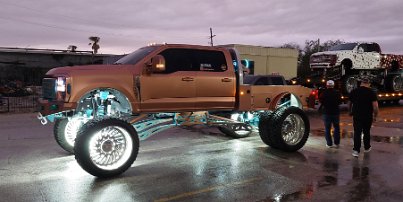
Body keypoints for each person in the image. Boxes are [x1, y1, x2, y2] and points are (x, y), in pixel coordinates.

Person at [349, 78, 379, 157]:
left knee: (357, 133)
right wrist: (375, 116)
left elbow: (349, 103)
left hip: (357, 115)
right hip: (367, 116)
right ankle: (366, 147)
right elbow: (375, 107)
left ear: (361, 83)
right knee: (366, 132)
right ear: (368, 84)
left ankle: (356, 150)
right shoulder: (371, 92)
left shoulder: (354, 91)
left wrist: (350, 111)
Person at [319, 80, 342, 148]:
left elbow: (321, 101)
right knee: (336, 128)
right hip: (335, 112)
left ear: (327, 85)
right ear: (333, 85)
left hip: (327, 113)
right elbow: (340, 102)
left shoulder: (324, 93)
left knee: (327, 129)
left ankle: (329, 144)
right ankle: (337, 143)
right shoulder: (337, 93)